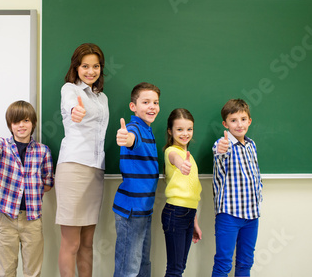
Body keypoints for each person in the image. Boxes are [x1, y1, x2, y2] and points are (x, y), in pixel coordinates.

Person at [0, 100, 54, 277]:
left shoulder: (43, 151)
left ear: (33, 123)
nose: (21, 125)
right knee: (6, 271)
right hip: (6, 219)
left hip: (32, 219)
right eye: (16, 121)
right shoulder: (4, 145)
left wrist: (31, 185)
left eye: (26, 120)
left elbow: (48, 183)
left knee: (32, 272)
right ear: (10, 125)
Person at [55, 43, 109, 277]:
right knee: (72, 244)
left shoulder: (102, 97)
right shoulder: (70, 90)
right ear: (76, 67)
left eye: (95, 66)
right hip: (74, 168)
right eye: (85, 66)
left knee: (88, 243)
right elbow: (70, 107)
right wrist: (75, 112)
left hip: (96, 170)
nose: (90, 71)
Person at [113, 82, 161, 277]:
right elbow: (131, 139)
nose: (152, 106)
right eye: (146, 102)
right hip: (132, 210)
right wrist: (126, 138)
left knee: (142, 264)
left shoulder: (147, 129)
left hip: (144, 208)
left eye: (156, 102)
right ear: (133, 106)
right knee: (128, 267)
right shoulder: (135, 128)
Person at [212, 99, 263, 277]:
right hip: (229, 215)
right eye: (233, 120)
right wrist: (221, 149)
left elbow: (256, 175)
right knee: (223, 263)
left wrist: (259, 198)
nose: (239, 124)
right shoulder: (222, 144)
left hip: (252, 215)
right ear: (225, 124)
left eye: (243, 119)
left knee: (246, 262)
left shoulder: (251, 145)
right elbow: (219, 155)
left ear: (249, 120)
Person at [161, 108, 203, 277]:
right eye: (179, 129)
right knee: (175, 269)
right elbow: (175, 160)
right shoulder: (172, 152)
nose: (185, 133)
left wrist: (195, 222)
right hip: (175, 214)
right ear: (170, 131)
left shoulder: (189, 155)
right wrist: (181, 165)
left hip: (187, 214)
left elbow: (190, 193)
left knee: (180, 267)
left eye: (189, 129)